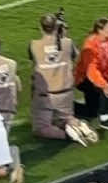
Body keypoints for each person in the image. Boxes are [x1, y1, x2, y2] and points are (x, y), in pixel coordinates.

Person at [29, 13, 86, 144]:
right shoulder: (67, 43)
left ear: (40, 28)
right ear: (56, 27)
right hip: (66, 95)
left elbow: (37, 62)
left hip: (46, 97)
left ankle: (68, 135)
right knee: (64, 118)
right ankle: (77, 124)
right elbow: (74, 56)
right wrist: (63, 35)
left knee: (40, 129)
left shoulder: (33, 45)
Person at [74, 17, 108, 130]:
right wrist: (104, 85)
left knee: (92, 112)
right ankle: (105, 119)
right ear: (100, 30)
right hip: (84, 79)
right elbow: (91, 70)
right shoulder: (90, 45)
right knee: (105, 89)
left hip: (98, 77)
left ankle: (68, 107)